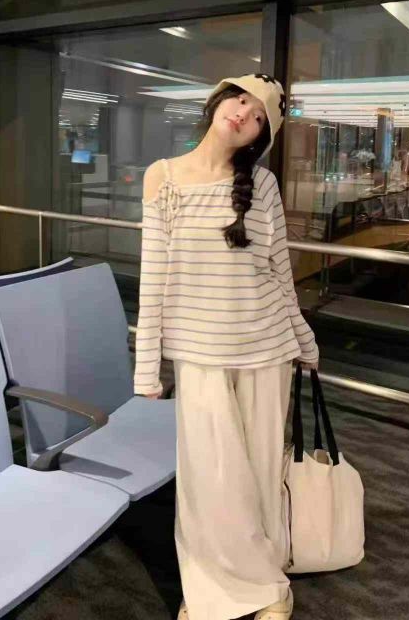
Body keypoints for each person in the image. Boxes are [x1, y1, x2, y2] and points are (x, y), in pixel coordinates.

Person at [133, 73, 319, 620]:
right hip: (200, 354)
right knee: (209, 482)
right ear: (218, 102)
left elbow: (279, 272)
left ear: (260, 135)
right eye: (240, 100)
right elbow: (153, 278)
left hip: (267, 348)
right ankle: (210, 591)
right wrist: (147, 367)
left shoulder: (262, 185)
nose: (244, 114)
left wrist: (303, 338)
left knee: (259, 474)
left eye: (259, 116)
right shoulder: (163, 178)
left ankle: (269, 586)